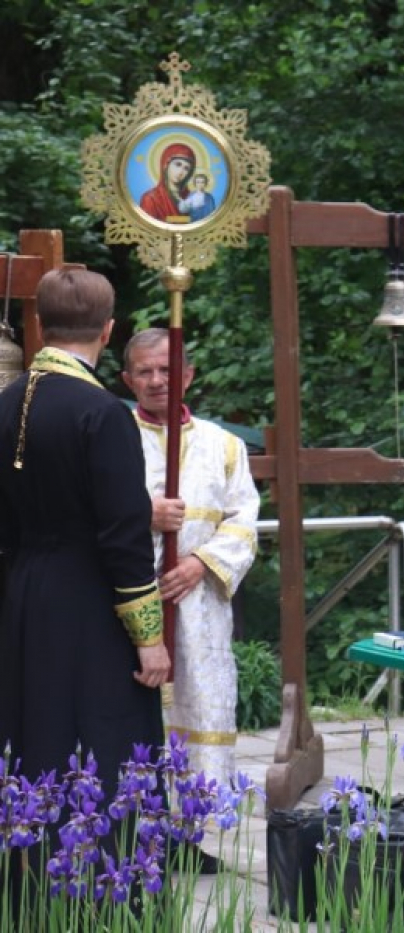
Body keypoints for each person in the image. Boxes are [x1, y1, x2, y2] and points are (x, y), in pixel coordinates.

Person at [0, 269, 169, 806]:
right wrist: (149, 640)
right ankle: (95, 861)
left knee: (31, 732)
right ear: (108, 330)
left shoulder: (5, 402)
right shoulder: (102, 412)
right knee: (100, 738)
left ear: (39, 323)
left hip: (20, 597)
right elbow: (124, 536)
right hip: (90, 605)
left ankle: (28, 852)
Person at [122, 328, 260, 785]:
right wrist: (144, 514)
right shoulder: (114, 437)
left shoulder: (223, 445)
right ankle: (141, 817)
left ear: (188, 375)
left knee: (201, 705)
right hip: (132, 600)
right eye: (145, 371)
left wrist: (200, 563)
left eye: (168, 369)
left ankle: (202, 818)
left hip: (201, 604)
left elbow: (243, 518)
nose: (157, 380)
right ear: (128, 380)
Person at [138, 142, 195, 223]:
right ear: (166, 164)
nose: (180, 172)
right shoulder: (151, 199)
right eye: (178, 165)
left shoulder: (191, 198)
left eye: (186, 168)